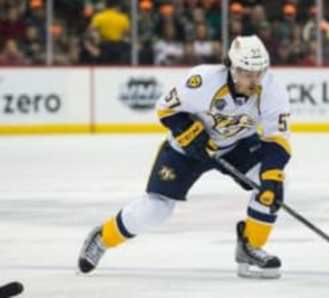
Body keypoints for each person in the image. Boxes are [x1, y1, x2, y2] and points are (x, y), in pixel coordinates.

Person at [78, 35, 291, 279]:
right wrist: (190, 133)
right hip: (186, 150)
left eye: (259, 72)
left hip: (237, 145)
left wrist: (271, 178)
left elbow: (278, 140)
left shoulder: (273, 90)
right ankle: (102, 238)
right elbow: (165, 109)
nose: (253, 80)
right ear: (231, 67)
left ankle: (250, 246)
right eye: (246, 72)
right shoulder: (202, 81)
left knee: (273, 183)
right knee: (156, 210)